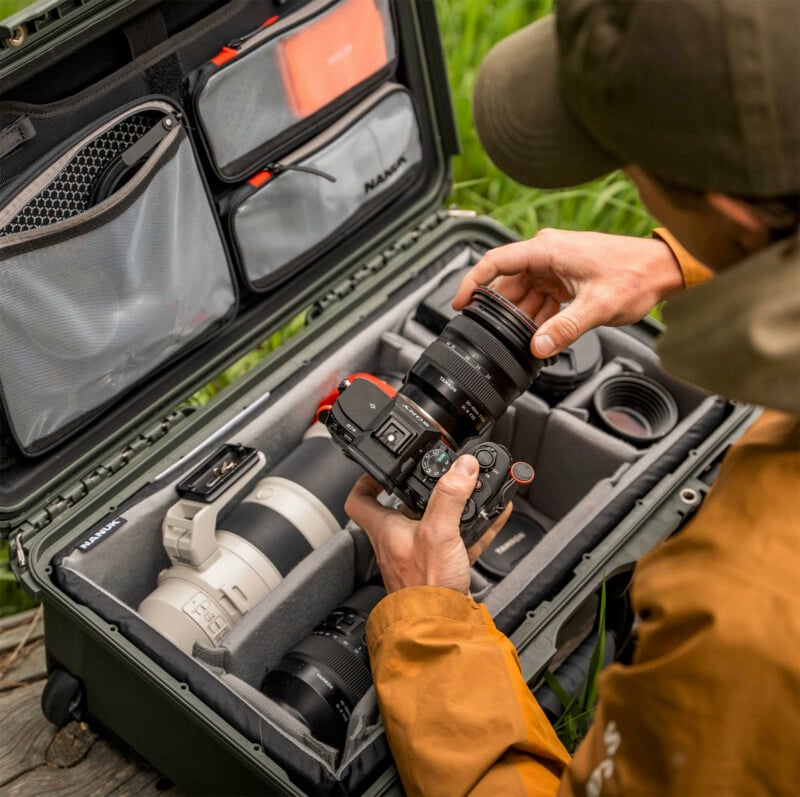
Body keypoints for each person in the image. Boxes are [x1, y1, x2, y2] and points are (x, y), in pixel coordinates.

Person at [345, 0, 800, 795]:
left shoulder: (742, 623)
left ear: (730, 207)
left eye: (626, 162)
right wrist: (688, 258)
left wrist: (429, 621)